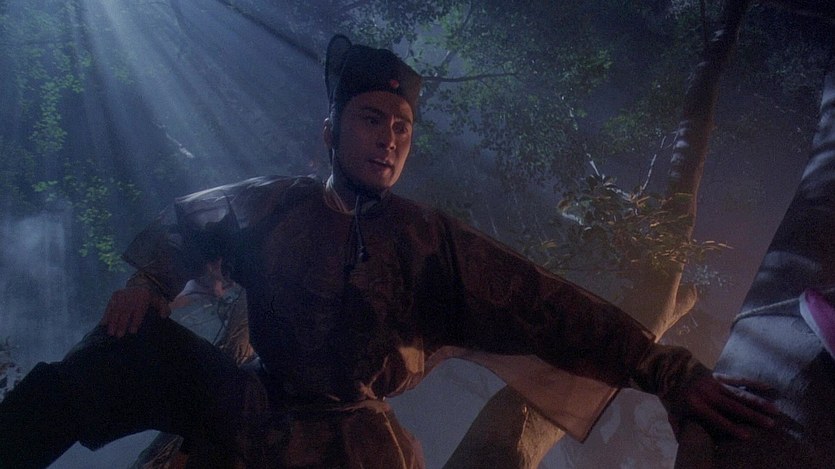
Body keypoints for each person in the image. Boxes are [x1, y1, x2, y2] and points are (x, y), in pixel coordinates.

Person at [0, 35, 776, 469]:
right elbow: (193, 224)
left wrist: (667, 371)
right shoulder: (277, 201)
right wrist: (150, 281)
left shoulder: (425, 238)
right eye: (371, 119)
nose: (388, 138)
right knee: (121, 348)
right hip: (252, 403)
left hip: (348, 443)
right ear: (331, 130)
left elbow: (540, 300)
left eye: (401, 127)